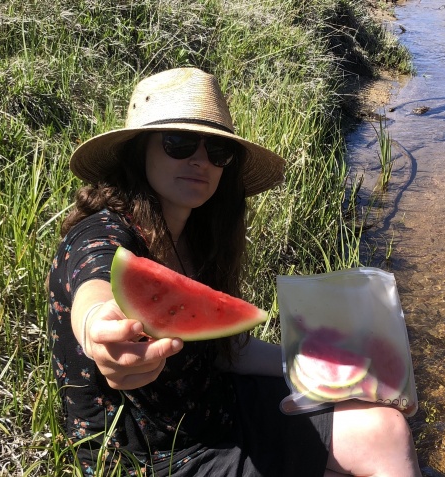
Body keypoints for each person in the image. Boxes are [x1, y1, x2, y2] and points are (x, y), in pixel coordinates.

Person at [47, 67, 422, 477]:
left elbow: (229, 352)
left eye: (218, 152)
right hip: (156, 453)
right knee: (377, 439)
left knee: (382, 422)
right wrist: (97, 329)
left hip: (217, 408)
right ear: (139, 152)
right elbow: (94, 282)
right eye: (180, 143)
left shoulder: (198, 234)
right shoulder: (102, 232)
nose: (200, 161)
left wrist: (335, 367)